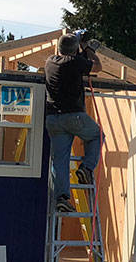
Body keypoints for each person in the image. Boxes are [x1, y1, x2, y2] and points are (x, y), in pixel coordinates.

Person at [44, 31, 103, 212]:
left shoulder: (49, 62)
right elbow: (97, 67)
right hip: (73, 116)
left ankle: (62, 198)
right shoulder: (76, 62)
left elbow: (65, 56)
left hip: (53, 119)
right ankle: (86, 168)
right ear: (75, 49)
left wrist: (77, 45)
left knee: (60, 160)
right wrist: (89, 49)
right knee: (96, 135)